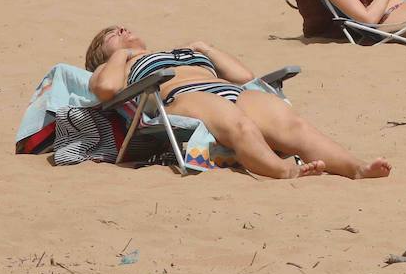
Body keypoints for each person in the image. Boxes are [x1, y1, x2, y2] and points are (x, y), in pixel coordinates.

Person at [85, 26, 390, 180]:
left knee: (292, 125)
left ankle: (356, 169)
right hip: (183, 97)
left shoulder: (175, 50)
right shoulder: (116, 66)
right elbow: (107, 89)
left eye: (123, 26)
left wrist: (205, 49)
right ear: (102, 53)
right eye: (111, 34)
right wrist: (118, 55)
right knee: (237, 124)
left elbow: (243, 76)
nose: (122, 30)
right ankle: (284, 171)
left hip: (226, 89)